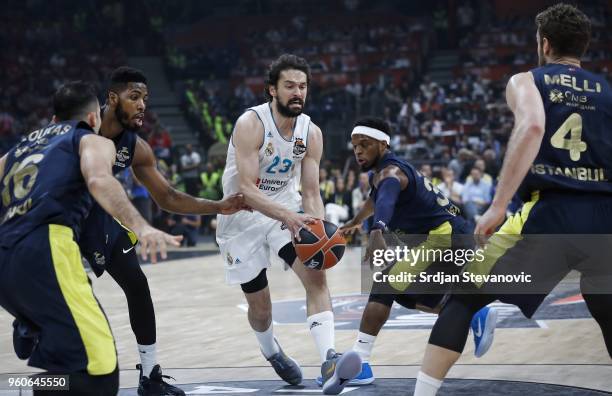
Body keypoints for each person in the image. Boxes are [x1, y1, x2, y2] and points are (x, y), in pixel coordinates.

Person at [414, 4, 612, 395]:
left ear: (544, 43)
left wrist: (499, 203)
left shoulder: (527, 80)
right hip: (605, 218)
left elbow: (534, 125)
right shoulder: (608, 91)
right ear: (584, 46)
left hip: (551, 214)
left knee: (465, 296)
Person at [0, 81, 180, 395]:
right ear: (95, 117)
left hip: (5, 255)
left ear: (54, 119)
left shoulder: (16, 150)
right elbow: (99, 179)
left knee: (65, 369)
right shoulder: (91, 140)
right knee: (99, 374)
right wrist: (141, 225)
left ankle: (32, 368)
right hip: (45, 247)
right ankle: (29, 383)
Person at [74, 67, 245, 396]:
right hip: (63, 220)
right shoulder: (79, 130)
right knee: (76, 302)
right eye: (134, 97)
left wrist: (218, 206)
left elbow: (167, 197)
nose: (142, 105)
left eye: (145, 99)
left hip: (101, 218)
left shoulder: (136, 147)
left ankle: (150, 375)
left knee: (138, 286)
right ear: (112, 98)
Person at [216, 54, 361, 395]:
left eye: (303, 86)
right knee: (261, 308)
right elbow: (247, 190)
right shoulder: (251, 124)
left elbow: (310, 191)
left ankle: (329, 359)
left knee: (316, 274)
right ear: (272, 90)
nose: (298, 93)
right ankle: (271, 350)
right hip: (241, 217)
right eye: (290, 86)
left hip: (284, 209)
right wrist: (289, 217)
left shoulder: (311, 133)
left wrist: (319, 228)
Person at [339, 117, 497, 386]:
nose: (358, 151)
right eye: (355, 146)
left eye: (365, 144)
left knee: (386, 283)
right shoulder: (383, 173)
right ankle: (469, 310)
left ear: (383, 144)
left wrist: (377, 229)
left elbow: (386, 199)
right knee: (398, 293)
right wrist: (356, 220)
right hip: (453, 237)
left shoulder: (391, 174)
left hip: (446, 239)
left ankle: (361, 362)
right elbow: (376, 198)